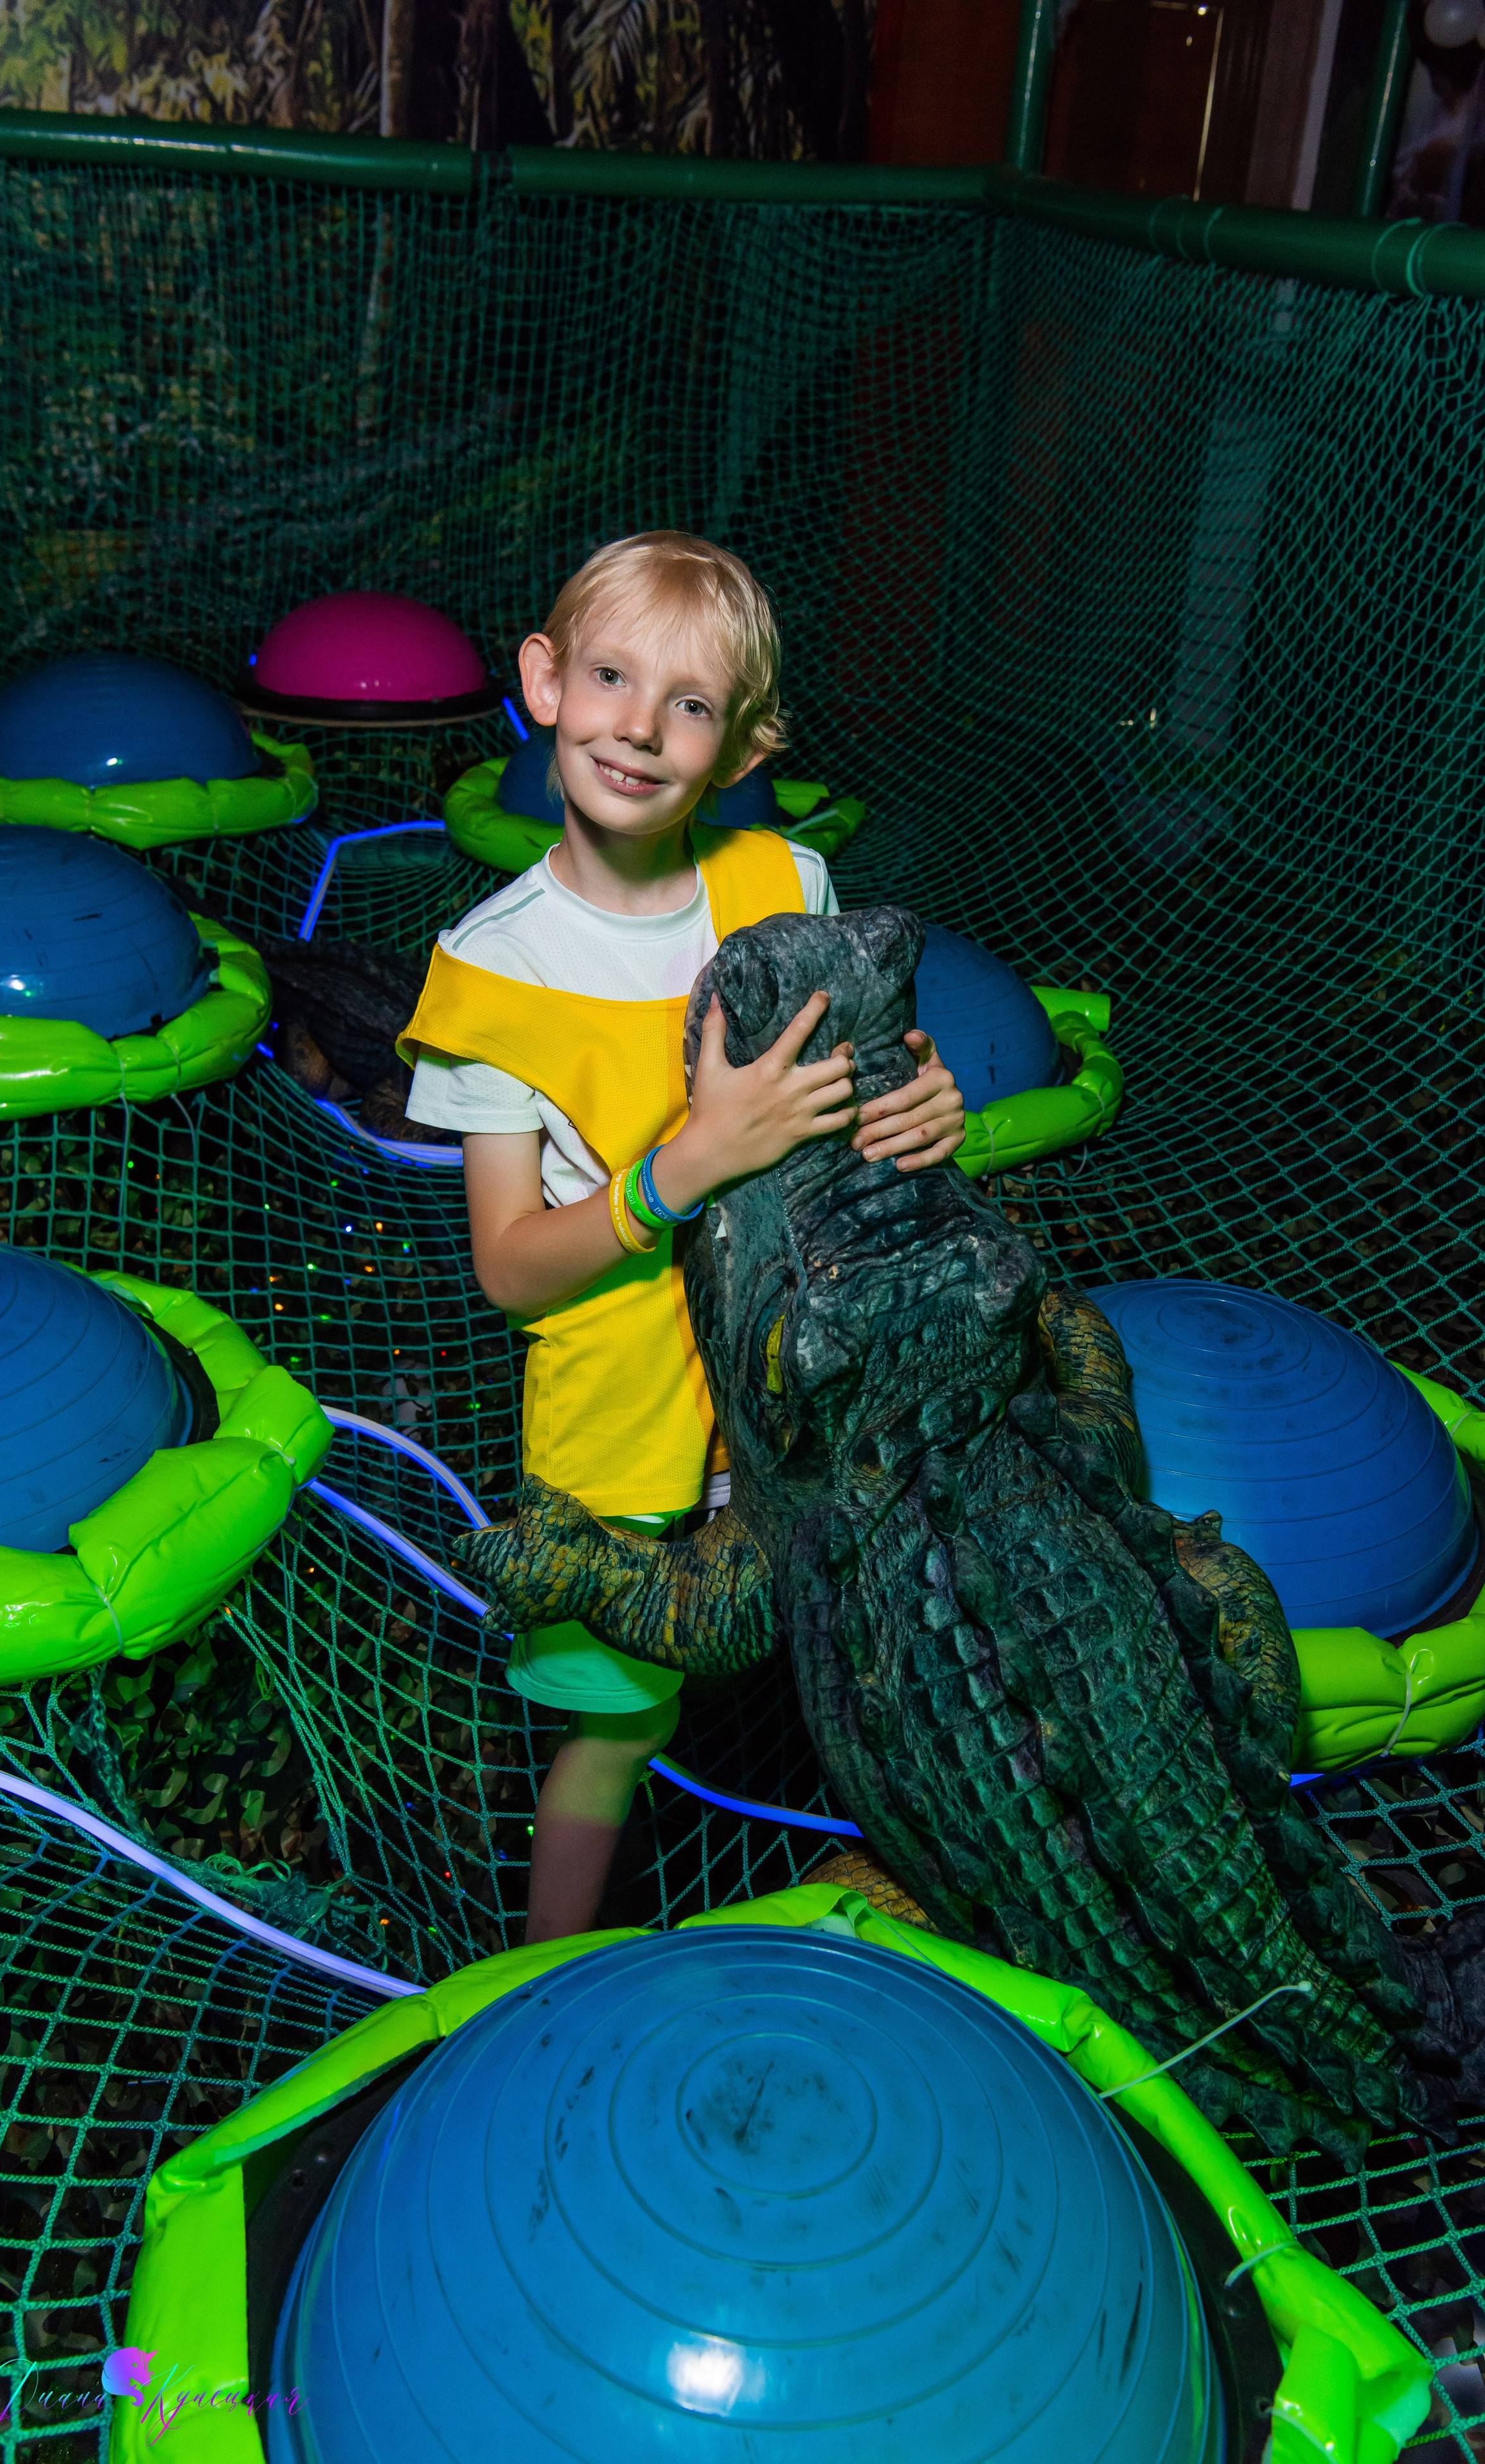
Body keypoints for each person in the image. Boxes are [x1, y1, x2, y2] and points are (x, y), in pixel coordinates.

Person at [400, 531, 964, 1941]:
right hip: (620, 1430)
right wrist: (682, 1168)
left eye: (690, 704)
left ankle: (917, 1932)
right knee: (610, 1733)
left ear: (742, 742)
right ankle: (549, 1994)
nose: (639, 728)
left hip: (808, 1381)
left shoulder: (787, 883)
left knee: (883, 1658)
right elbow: (507, 1264)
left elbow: (866, 1079)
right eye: (607, 677)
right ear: (541, 683)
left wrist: (920, 1106)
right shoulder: (494, 967)